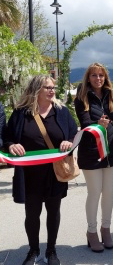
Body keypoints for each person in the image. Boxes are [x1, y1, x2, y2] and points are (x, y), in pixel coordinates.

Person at [4, 75, 77, 265]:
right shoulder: (21, 113)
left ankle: (51, 251)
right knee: (32, 214)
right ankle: (33, 250)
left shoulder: (61, 111)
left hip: (55, 172)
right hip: (29, 175)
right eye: (47, 88)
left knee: (53, 211)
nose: (52, 91)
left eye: (53, 87)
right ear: (36, 90)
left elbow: (73, 133)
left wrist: (69, 142)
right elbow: (8, 137)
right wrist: (11, 146)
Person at [74, 62, 113, 253]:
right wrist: (99, 124)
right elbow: (85, 121)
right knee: (94, 193)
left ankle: (106, 229)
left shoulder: (110, 94)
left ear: (105, 77)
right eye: (94, 75)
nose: (98, 79)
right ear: (88, 77)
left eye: (101, 75)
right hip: (91, 152)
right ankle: (91, 232)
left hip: (112, 150)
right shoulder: (82, 96)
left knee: (109, 192)